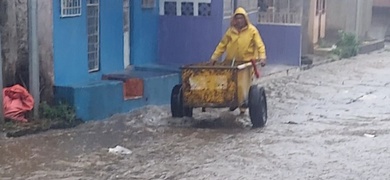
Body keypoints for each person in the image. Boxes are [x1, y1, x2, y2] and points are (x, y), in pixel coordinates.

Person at [210, 7, 267, 115]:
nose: (239, 20)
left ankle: (242, 105)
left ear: (245, 19)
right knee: (228, 82)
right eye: (237, 18)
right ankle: (231, 101)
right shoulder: (230, 31)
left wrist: (262, 57)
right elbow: (222, 45)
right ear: (234, 20)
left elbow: (260, 45)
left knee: (242, 85)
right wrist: (214, 58)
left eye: (241, 18)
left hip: (246, 64)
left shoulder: (252, 31)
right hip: (231, 62)